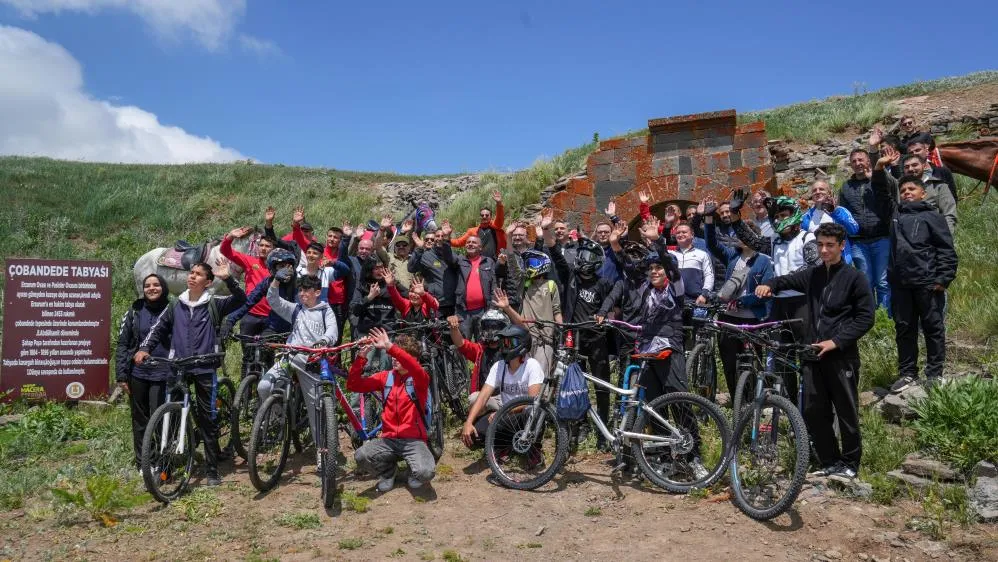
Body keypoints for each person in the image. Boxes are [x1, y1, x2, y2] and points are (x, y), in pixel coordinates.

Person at [755, 223, 875, 479]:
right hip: (811, 353)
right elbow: (784, 279)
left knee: (846, 411)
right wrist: (769, 285)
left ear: (842, 246)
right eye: (820, 244)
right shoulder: (813, 275)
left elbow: (865, 318)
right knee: (812, 409)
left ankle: (850, 464)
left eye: (830, 245)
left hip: (840, 356)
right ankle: (830, 460)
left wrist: (836, 342)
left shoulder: (855, 278)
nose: (824, 250)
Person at [135, 260, 246, 486]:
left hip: (205, 366)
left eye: (198, 274)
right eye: (191, 273)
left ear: (207, 281)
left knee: (207, 418)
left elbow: (241, 300)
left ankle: (212, 469)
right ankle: (165, 468)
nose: (192, 277)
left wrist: (228, 278)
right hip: (179, 366)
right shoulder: (175, 305)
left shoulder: (214, 303)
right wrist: (144, 348)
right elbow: (158, 330)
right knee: (171, 417)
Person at [884, 176, 958, 392]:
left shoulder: (933, 216)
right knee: (904, 329)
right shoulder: (896, 215)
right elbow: (881, 191)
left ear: (922, 193)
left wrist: (943, 279)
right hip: (901, 284)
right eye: (904, 189)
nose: (907, 192)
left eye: (912, 189)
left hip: (927, 283)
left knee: (933, 329)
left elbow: (946, 249)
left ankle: (934, 373)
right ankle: (907, 373)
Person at [256, 274, 337, 468]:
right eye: (300, 291)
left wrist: (324, 341)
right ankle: (278, 417)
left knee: (317, 409)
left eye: (306, 291)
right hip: (289, 357)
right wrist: (275, 280)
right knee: (264, 385)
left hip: (311, 362)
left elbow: (333, 332)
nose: (302, 294)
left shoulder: (326, 310)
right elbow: (273, 300)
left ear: (317, 292)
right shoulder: (295, 309)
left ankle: (322, 451)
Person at [349, 327, 436, 492]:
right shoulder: (386, 377)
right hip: (388, 440)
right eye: (393, 356)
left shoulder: (420, 378)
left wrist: (390, 347)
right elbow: (353, 385)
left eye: (399, 355)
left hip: (413, 440)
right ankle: (389, 472)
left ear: (413, 359)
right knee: (361, 456)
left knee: (425, 473)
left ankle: (413, 472)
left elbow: (414, 366)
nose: (394, 358)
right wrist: (361, 358)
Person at [703, 211, 774, 401]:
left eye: (741, 234)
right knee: (729, 361)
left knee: (753, 362)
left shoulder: (764, 261)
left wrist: (743, 301)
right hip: (729, 318)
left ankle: (754, 400)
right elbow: (712, 244)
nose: (737, 238)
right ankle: (737, 401)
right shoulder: (732, 257)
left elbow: (765, 292)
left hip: (752, 320)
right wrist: (709, 219)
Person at [115, 273, 173, 471]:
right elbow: (123, 343)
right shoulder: (134, 310)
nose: (151, 288)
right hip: (138, 373)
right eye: (147, 285)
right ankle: (144, 462)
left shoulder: (172, 308)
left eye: (156, 284)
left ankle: (165, 461)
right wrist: (121, 375)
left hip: (163, 373)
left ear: (163, 287)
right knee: (140, 420)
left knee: (161, 419)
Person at [562, 237, 615, 447]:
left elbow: (616, 295)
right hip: (574, 339)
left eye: (589, 256)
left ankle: (603, 429)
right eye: (582, 254)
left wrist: (605, 313)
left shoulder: (603, 283)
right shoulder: (571, 277)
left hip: (597, 339)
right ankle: (580, 424)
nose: (584, 259)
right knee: (577, 386)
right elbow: (557, 257)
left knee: (601, 385)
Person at [460, 324, 545, 450]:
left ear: (522, 345)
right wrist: (468, 422)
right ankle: (505, 446)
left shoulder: (532, 365)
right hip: (506, 415)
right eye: (504, 342)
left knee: (535, 413)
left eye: (510, 342)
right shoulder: (499, 366)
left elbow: (532, 400)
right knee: (473, 437)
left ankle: (534, 449)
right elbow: (483, 397)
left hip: (521, 414)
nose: (505, 346)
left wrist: (503, 411)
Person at [838, 148, 893, 310]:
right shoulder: (846, 187)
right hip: (858, 242)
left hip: (881, 237)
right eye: (854, 161)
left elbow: (892, 188)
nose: (858, 163)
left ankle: (885, 316)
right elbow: (843, 213)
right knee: (866, 281)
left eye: (861, 159)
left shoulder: (878, 181)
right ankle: (869, 316)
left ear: (868, 161)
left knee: (883, 280)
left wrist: (875, 177)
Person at [220, 225, 277, 375]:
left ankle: (266, 394)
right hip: (250, 315)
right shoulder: (250, 261)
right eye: (261, 245)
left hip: (270, 319)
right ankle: (245, 396)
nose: (263, 248)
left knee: (268, 357)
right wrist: (231, 237)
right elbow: (226, 251)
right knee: (248, 357)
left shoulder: (278, 268)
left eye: (267, 246)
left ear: (273, 249)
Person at [439, 223, 496, 337]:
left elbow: (493, 286)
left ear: (480, 247)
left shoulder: (488, 262)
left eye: (474, 242)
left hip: (484, 311)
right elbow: (448, 256)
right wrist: (446, 238)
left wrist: (492, 309)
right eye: (468, 242)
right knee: (464, 345)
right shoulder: (460, 261)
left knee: (484, 343)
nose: (470, 244)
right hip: (463, 311)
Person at [517, 249, 562, 372]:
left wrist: (562, 330)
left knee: (541, 375)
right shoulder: (525, 283)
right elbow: (513, 268)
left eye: (533, 263)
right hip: (527, 336)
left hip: (545, 338)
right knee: (523, 374)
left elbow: (556, 310)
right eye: (527, 263)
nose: (529, 266)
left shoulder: (551, 285)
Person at [801, 180, 859, 266]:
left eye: (821, 189)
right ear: (812, 196)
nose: (818, 192)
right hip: (817, 265)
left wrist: (835, 213)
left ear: (829, 192)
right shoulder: (806, 216)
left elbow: (853, 230)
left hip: (840, 263)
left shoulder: (840, 210)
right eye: (814, 190)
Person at [898, 154, 957, 233]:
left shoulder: (938, 186)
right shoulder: (899, 188)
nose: (911, 169)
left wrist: (945, 237)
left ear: (924, 166)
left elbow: (949, 214)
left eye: (914, 165)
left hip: (932, 233)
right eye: (907, 167)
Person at [408, 228, 459, 318]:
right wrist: (419, 248)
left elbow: (454, 262)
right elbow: (411, 268)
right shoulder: (426, 255)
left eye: (442, 236)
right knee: (436, 331)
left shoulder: (452, 254)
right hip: (436, 302)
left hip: (454, 303)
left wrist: (446, 246)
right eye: (437, 236)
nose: (439, 238)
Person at [449, 190, 506, 260]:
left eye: (487, 215)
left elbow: (500, 217)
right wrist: (445, 239)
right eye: (482, 215)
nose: (484, 217)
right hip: (478, 262)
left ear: (491, 217)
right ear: (480, 217)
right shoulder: (472, 231)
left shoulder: (496, 227)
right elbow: (459, 242)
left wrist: (499, 204)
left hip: (495, 261)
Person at [906, 134, 957, 200]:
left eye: (917, 150)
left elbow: (952, 197)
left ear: (926, 151)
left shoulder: (943, 172)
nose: (914, 154)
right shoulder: (907, 176)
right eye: (911, 153)